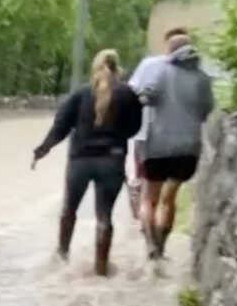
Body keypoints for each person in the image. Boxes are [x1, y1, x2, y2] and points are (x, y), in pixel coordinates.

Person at [32, 49, 144, 275]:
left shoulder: (80, 94)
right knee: (104, 216)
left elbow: (61, 126)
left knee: (69, 210)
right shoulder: (128, 94)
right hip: (112, 162)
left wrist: (43, 149)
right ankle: (101, 271)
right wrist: (117, 134)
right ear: (117, 68)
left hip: (80, 162)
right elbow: (135, 129)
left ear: (95, 68)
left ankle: (62, 259)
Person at [138, 41, 214, 259]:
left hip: (158, 146)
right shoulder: (202, 78)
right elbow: (207, 111)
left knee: (148, 199)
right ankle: (161, 248)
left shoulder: (161, 71)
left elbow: (146, 97)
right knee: (168, 199)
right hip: (189, 147)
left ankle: (150, 244)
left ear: (170, 52)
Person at [123, 27, 190, 220]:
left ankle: (140, 199)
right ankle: (154, 220)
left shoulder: (149, 65)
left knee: (148, 187)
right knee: (168, 195)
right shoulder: (192, 71)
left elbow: (132, 93)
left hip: (147, 134)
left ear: (167, 45)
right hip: (178, 137)